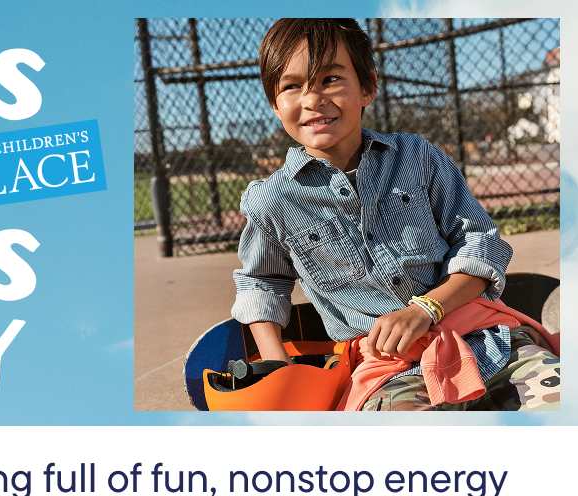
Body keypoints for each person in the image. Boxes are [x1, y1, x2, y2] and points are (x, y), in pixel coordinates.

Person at [231, 19, 560, 410]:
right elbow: (261, 283)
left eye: (330, 79)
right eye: (291, 86)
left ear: (367, 86)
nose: (312, 99)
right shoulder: (271, 200)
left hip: (488, 339)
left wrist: (427, 308)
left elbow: (479, 242)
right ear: (274, 102)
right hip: (388, 369)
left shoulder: (417, 158)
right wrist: (277, 367)